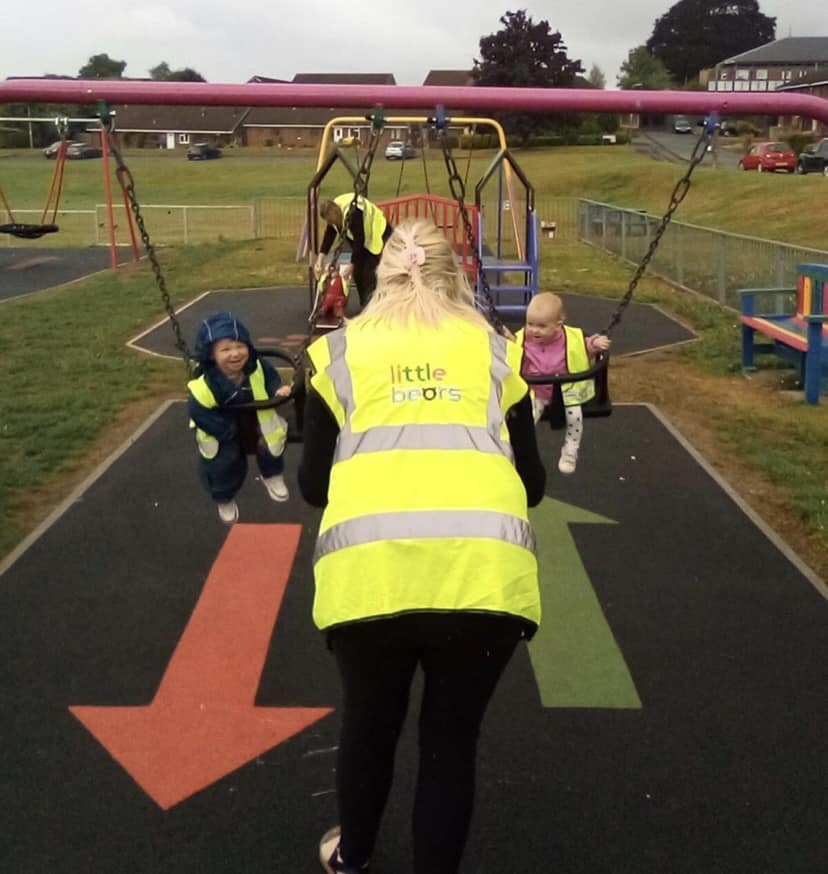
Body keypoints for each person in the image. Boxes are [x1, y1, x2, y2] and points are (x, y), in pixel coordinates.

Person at [298, 217, 546, 874]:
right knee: (450, 742)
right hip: (483, 573)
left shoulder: (338, 355)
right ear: (455, 274)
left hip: (370, 572)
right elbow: (534, 484)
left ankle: (353, 854)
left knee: (369, 725)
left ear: (380, 277)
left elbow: (314, 485)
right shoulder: (498, 352)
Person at [187, 312, 292, 524]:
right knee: (223, 463)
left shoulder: (257, 366)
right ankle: (224, 497)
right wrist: (224, 430)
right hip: (221, 429)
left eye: (240, 346)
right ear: (211, 355)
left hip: (256, 418)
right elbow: (198, 411)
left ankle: (272, 475)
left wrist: (278, 389)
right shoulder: (206, 383)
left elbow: (271, 377)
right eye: (225, 349)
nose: (235, 354)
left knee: (270, 442)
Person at [518, 291, 611, 476]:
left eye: (542, 326)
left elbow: (586, 345)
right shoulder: (523, 339)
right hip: (536, 392)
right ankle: (519, 452)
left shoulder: (571, 337)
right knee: (526, 419)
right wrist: (504, 338)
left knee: (575, 417)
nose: (534, 330)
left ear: (558, 325)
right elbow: (509, 349)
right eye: (530, 324)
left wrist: (596, 343)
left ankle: (570, 449)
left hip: (568, 392)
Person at [314, 194, 393, 309]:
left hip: (378, 232)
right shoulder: (333, 211)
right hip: (364, 239)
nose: (332, 224)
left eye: (332, 221)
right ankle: (365, 305)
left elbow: (359, 241)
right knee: (358, 274)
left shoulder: (353, 213)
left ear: (336, 214)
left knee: (368, 273)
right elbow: (329, 234)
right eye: (329, 222)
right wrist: (320, 258)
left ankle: (372, 306)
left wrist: (352, 265)